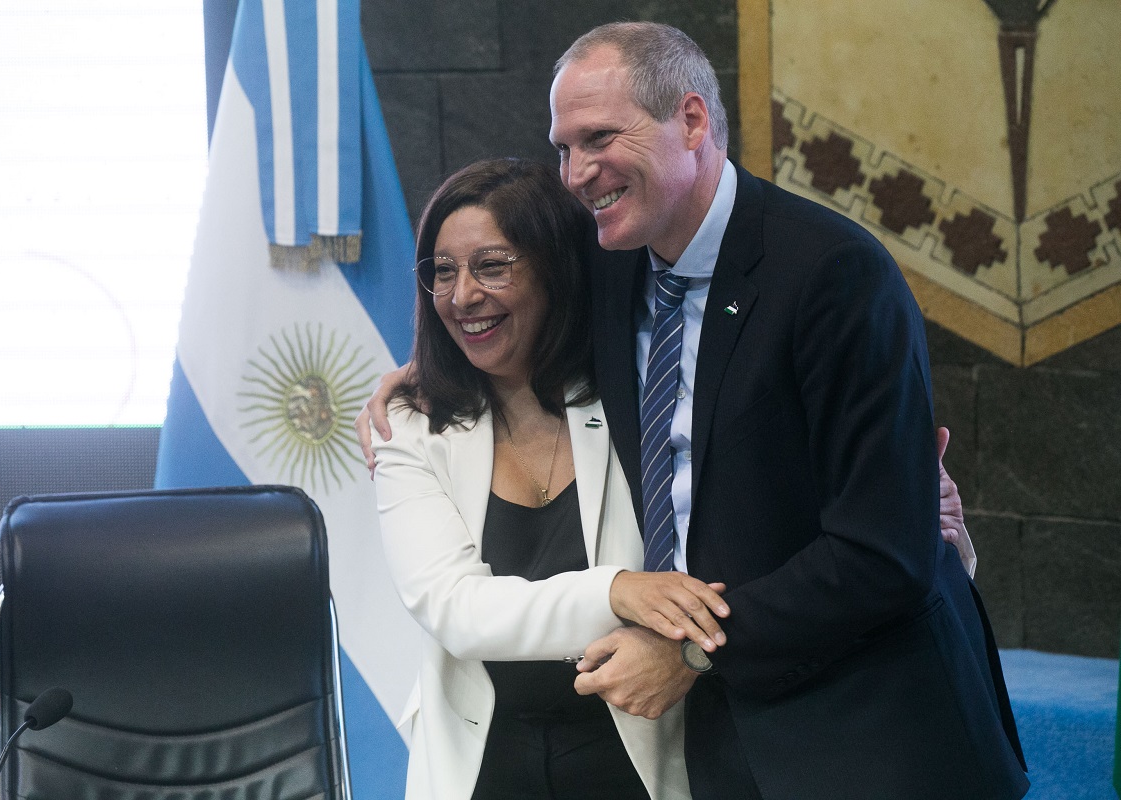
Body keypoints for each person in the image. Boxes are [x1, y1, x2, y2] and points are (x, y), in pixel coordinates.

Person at [364, 21, 1025, 800]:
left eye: (600, 137)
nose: (577, 173)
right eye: (564, 147)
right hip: (719, 741)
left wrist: (691, 651)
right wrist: (420, 371)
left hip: (869, 727)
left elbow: (885, 555)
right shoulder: (612, 264)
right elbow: (503, 303)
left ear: (692, 120)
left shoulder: (833, 275)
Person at [372, 157, 728, 800]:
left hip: (640, 750)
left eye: (492, 265)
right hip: (483, 763)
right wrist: (615, 592)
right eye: (442, 272)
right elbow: (455, 609)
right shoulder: (412, 423)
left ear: (555, 270)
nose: (462, 296)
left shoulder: (641, 395)